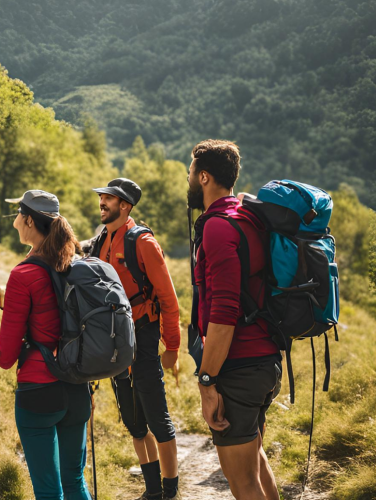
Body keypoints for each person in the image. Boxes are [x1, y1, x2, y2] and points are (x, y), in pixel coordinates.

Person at [188, 139, 282, 500]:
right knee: (254, 460)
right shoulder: (246, 218)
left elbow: (224, 315)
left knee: (242, 482)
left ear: (205, 176)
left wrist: (207, 382)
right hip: (265, 360)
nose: (189, 180)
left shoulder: (217, 227)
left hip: (239, 367)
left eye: (191, 174)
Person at [0, 190, 92, 500]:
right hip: (77, 386)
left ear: (28, 220)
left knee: (49, 491)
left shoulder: (23, 275)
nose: (14, 226)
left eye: (16, 218)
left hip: (39, 391)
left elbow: (5, 357)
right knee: (75, 480)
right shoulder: (75, 267)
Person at [91, 178, 181, 500]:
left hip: (143, 337)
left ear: (124, 206)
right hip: (115, 340)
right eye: (101, 197)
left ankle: (170, 491)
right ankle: (153, 490)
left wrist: (172, 346)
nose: (101, 202)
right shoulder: (101, 239)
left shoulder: (142, 242)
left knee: (157, 417)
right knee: (133, 421)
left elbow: (169, 300)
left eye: (108, 198)